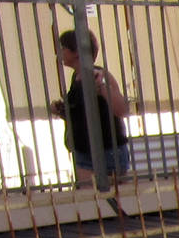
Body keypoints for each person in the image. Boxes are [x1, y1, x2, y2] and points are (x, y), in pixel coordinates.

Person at [51, 29, 129, 191]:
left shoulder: (99, 74)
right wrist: (62, 110)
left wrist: (101, 87)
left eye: (62, 47)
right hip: (85, 152)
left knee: (107, 202)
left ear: (77, 52)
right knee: (94, 204)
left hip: (106, 151)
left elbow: (121, 109)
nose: (59, 52)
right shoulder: (76, 77)